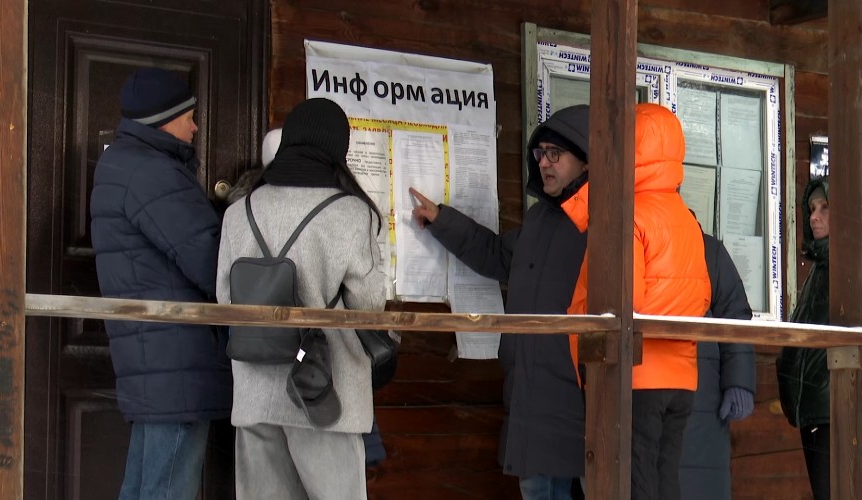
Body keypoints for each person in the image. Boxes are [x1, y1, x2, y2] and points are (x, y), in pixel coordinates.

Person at [411, 105, 591, 499]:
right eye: (540, 153)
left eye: (555, 154)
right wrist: (441, 220)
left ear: (584, 159)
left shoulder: (602, 225)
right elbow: (498, 255)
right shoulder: (541, 219)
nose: (544, 162)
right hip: (532, 396)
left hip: (576, 403)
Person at [216, 97, 385, 499]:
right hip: (325, 392)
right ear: (336, 149)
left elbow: (225, 298)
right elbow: (368, 305)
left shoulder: (239, 211)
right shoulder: (350, 212)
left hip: (255, 389)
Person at [90, 67, 232, 500]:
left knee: (143, 484)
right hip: (177, 354)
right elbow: (211, 263)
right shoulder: (155, 173)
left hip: (152, 353)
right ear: (164, 118)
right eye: (188, 116)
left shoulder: (121, 163)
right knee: (167, 486)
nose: (194, 126)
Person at [561, 102, 711, 500]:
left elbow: (621, 302)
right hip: (681, 377)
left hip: (633, 374)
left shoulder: (626, 215)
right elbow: (702, 295)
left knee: (631, 483)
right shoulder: (686, 220)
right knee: (664, 482)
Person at [679, 231, 756, 500]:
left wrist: (739, 382)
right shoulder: (628, 246)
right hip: (649, 394)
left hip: (704, 404)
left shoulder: (707, 250)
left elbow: (734, 315)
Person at [776, 176, 830, 500]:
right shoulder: (820, 266)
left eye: (825, 208)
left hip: (836, 409)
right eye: (811, 208)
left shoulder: (849, 264)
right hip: (813, 408)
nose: (814, 216)